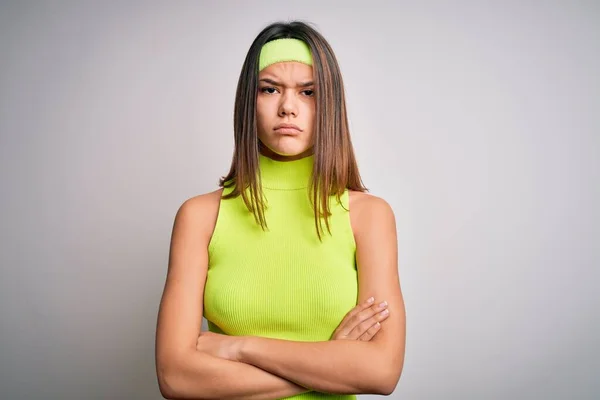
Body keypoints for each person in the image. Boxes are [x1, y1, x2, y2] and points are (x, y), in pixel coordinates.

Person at [155, 20, 406, 399]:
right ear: (248, 102)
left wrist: (240, 347)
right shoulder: (200, 216)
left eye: (308, 92)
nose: (288, 107)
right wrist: (333, 363)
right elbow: (175, 378)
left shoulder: (368, 216)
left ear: (330, 105)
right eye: (269, 89)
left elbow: (381, 372)